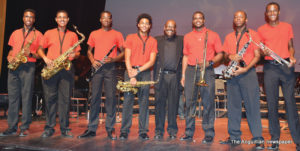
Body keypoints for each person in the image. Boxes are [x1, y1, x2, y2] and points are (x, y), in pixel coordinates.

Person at [257, 2, 300, 150]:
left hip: (286, 67)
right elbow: (260, 51)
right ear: (266, 14)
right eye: (269, 11)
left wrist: (292, 57)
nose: (272, 13)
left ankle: (298, 140)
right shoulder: (261, 30)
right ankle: (275, 139)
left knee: (290, 104)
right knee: (272, 104)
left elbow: (291, 46)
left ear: (279, 12)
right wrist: (264, 53)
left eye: (274, 10)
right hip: (270, 68)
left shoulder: (287, 26)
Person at [219, 11, 264, 149]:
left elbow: (257, 56)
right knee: (233, 107)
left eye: (241, 17)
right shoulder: (228, 36)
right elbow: (224, 56)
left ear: (246, 19)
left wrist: (245, 69)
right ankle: (234, 137)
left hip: (248, 73)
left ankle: (258, 138)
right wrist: (230, 56)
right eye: (236, 17)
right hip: (232, 75)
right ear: (234, 20)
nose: (238, 19)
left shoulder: (253, 34)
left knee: (252, 106)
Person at [77, 11, 124, 140]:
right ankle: (91, 128)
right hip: (97, 68)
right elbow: (88, 51)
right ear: (100, 19)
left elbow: (123, 53)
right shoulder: (94, 33)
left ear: (111, 20)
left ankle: (110, 128)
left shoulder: (117, 34)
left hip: (110, 68)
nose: (106, 20)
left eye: (108, 18)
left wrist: (113, 59)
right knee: (94, 98)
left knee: (111, 99)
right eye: (103, 18)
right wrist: (92, 61)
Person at [180, 11, 223, 143]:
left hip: (207, 71)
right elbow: (185, 56)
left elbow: (220, 54)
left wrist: (209, 62)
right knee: (190, 104)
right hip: (191, 71)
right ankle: (188, 133)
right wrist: (183, 75)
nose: (198, 20)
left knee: (208, 103)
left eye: (200, 18)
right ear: (193, 21)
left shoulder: (213, 35)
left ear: (204, 20)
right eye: (195, 18)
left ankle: (209, 133)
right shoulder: (187, 36)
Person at [37, 10, 81, 138]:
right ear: (56, 19)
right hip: (51, 67)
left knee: (65, 100)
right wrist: (45, 58)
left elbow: (77, 53)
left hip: (66, 69)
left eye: (64, 18)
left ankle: (65, 128)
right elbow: (40, 49)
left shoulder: (73, 35)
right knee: (50, 99)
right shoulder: (49, 33)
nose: (62, 19)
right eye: (60, 17)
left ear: (68, 20)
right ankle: (49, 128)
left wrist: (75, 54)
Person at [0, 9, 43, 137]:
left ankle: (24, 127)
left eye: (31, 17)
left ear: (34, 19)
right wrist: (9, 57)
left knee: (26, 97)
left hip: (28, 66)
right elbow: (11, 51)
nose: (28, 19)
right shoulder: (15, 33)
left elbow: (40, 55)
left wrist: (29, 53)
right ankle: (12, 127)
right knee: (13, 98)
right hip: (14, 67)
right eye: (26, 16)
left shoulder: (38, 35)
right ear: (23, 18)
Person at [119, 13, 157, 140]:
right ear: (138, 24)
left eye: (147, 23)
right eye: (142, 23)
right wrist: (131, 73)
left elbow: (151, 61)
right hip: (130, 71)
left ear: (150, 26)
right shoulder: (130, 37)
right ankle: (124, 131)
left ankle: (143, 131)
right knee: (128, 103)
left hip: (144, 72)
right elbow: (127, 57)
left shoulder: (153, 41)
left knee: (144, 102)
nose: (144, 25)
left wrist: (138, 70)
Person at [153, 20, 183, 139]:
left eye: (173, 27)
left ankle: (172, 130)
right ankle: (159, 131)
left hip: (175, 76)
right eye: (168, 26)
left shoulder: (181, 40)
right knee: (159, 104)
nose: (170, 28)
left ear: (175, 29)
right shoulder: (156, 40)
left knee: (173, 105)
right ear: (164, 27)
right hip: (161, 76)